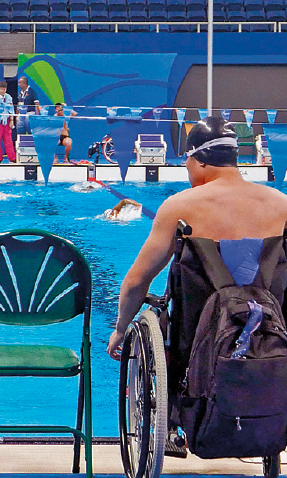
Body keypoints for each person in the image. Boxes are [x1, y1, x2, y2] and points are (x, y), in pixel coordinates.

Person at [107, 116, 287, 360]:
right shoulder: (281, 204)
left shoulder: (179, 206)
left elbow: (137, 281)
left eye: (187, 161)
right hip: (272, 338)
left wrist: (120, 329)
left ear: (200, 160)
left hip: (196, 345)